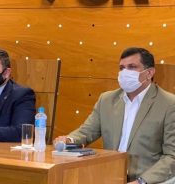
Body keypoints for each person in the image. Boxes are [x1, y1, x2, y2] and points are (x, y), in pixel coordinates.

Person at [54, 47, 175, 184]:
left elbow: (172, 156)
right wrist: (68, 140)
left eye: (132, 67)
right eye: (122, 68)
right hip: (109, 175)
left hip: (146, 179)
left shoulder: (169, 104)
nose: (125, 73)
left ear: (149, 73)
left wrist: (142, 182)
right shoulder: (106, 100)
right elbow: (87, 131)